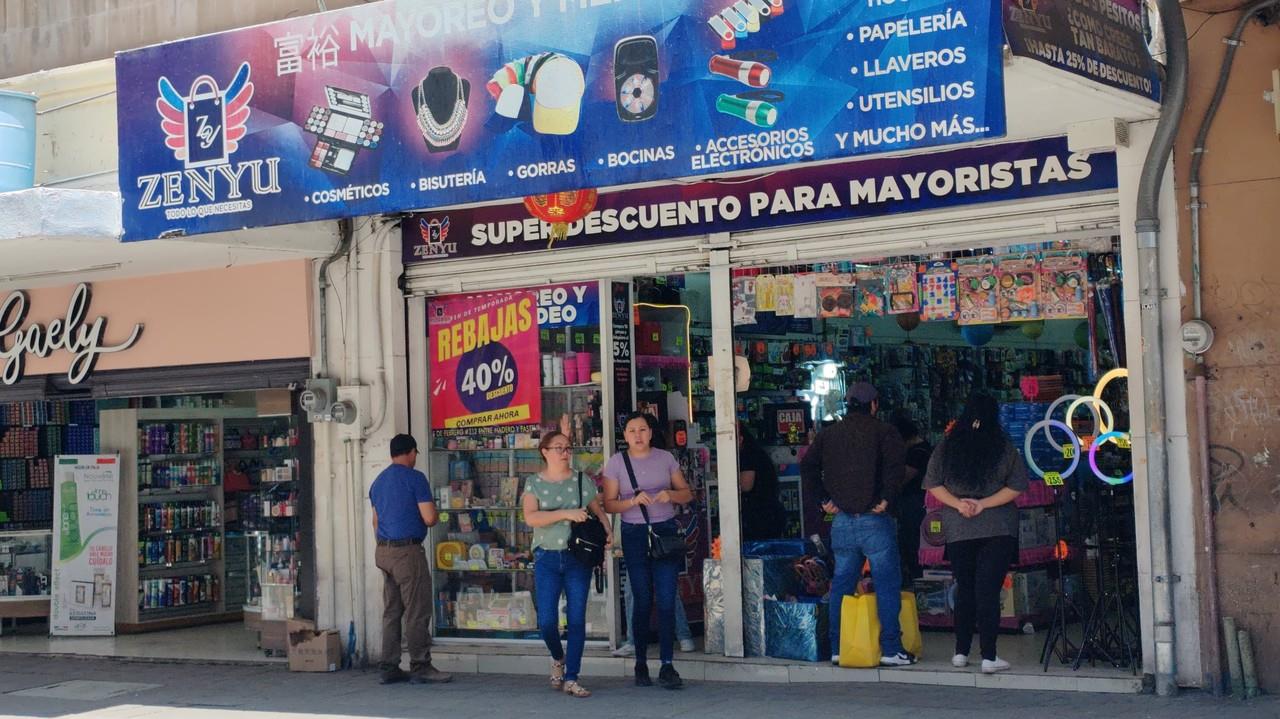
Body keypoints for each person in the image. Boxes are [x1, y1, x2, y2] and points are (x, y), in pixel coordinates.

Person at [800, 382, 915, 667]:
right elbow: (895, 468)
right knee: (886, 583)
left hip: (841, 521)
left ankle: (840, 646)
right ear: (874, 404)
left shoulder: (830, 434)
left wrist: (823, 500)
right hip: (875, 519)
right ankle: (891, 648)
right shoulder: (884, 432)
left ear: (847, 403)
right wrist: (886, 498)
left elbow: (808, 466)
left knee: (842, 584)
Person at [923, 394, 1027, 674]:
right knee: (988, 591)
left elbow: (932, 483)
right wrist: (983, 504)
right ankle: (989, 656)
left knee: (965, 588)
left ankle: (960, 651)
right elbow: (1017, 485)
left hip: (958, 527)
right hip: (997, 526)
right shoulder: (1004, 447)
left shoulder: (948, 446)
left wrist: (959, 504)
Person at [602, 412, 694, 689]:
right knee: (641, 599)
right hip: (635, 533)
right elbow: (609, 503)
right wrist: (630, 502)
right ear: (625, 435)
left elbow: (687, 493)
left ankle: (667, 664)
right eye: (632, 430)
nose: (638, 435)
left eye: (642, 429)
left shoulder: (666, 458)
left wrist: (671, 495)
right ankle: (640, 661)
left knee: (666, 598)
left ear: (650, 433)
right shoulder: (617, 463)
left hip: (664, 530)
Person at [521, 431, 612, 698]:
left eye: (567, 447)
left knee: (576, 618)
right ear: (544, 451)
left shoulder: (582, 480)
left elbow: (597, 509)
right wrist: (565, 513)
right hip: (547, 557)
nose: (564, 452)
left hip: (577, 557)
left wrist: (608, 532)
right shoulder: (533, 483)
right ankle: (557, 657)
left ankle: (572, 677)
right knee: (546, 621)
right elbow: (531, 517)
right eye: (558, 447)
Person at [369, 434, 452, 685]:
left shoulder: (378, 481)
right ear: (411, 452)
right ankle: (420, 665)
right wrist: (436, 514)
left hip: (383, 551)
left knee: (392, 611)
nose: (416, 458)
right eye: (415, 453)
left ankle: (389, 666)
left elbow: (375, 521)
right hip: (408, 551)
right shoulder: (415, 478)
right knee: (417, 610)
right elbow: (429, 518)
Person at [890, 412, 933, 581]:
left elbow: (902, 479)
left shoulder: (918, 452)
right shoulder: (921, 449)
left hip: (915, 503)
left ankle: (917, 577)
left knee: (912, 541)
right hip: (915, 503)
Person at [738, 424, 786, 541]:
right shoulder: (756, 453)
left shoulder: (748, 455)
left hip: (761, 517)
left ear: (740, 439)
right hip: (769, 514)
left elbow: (746, 486)